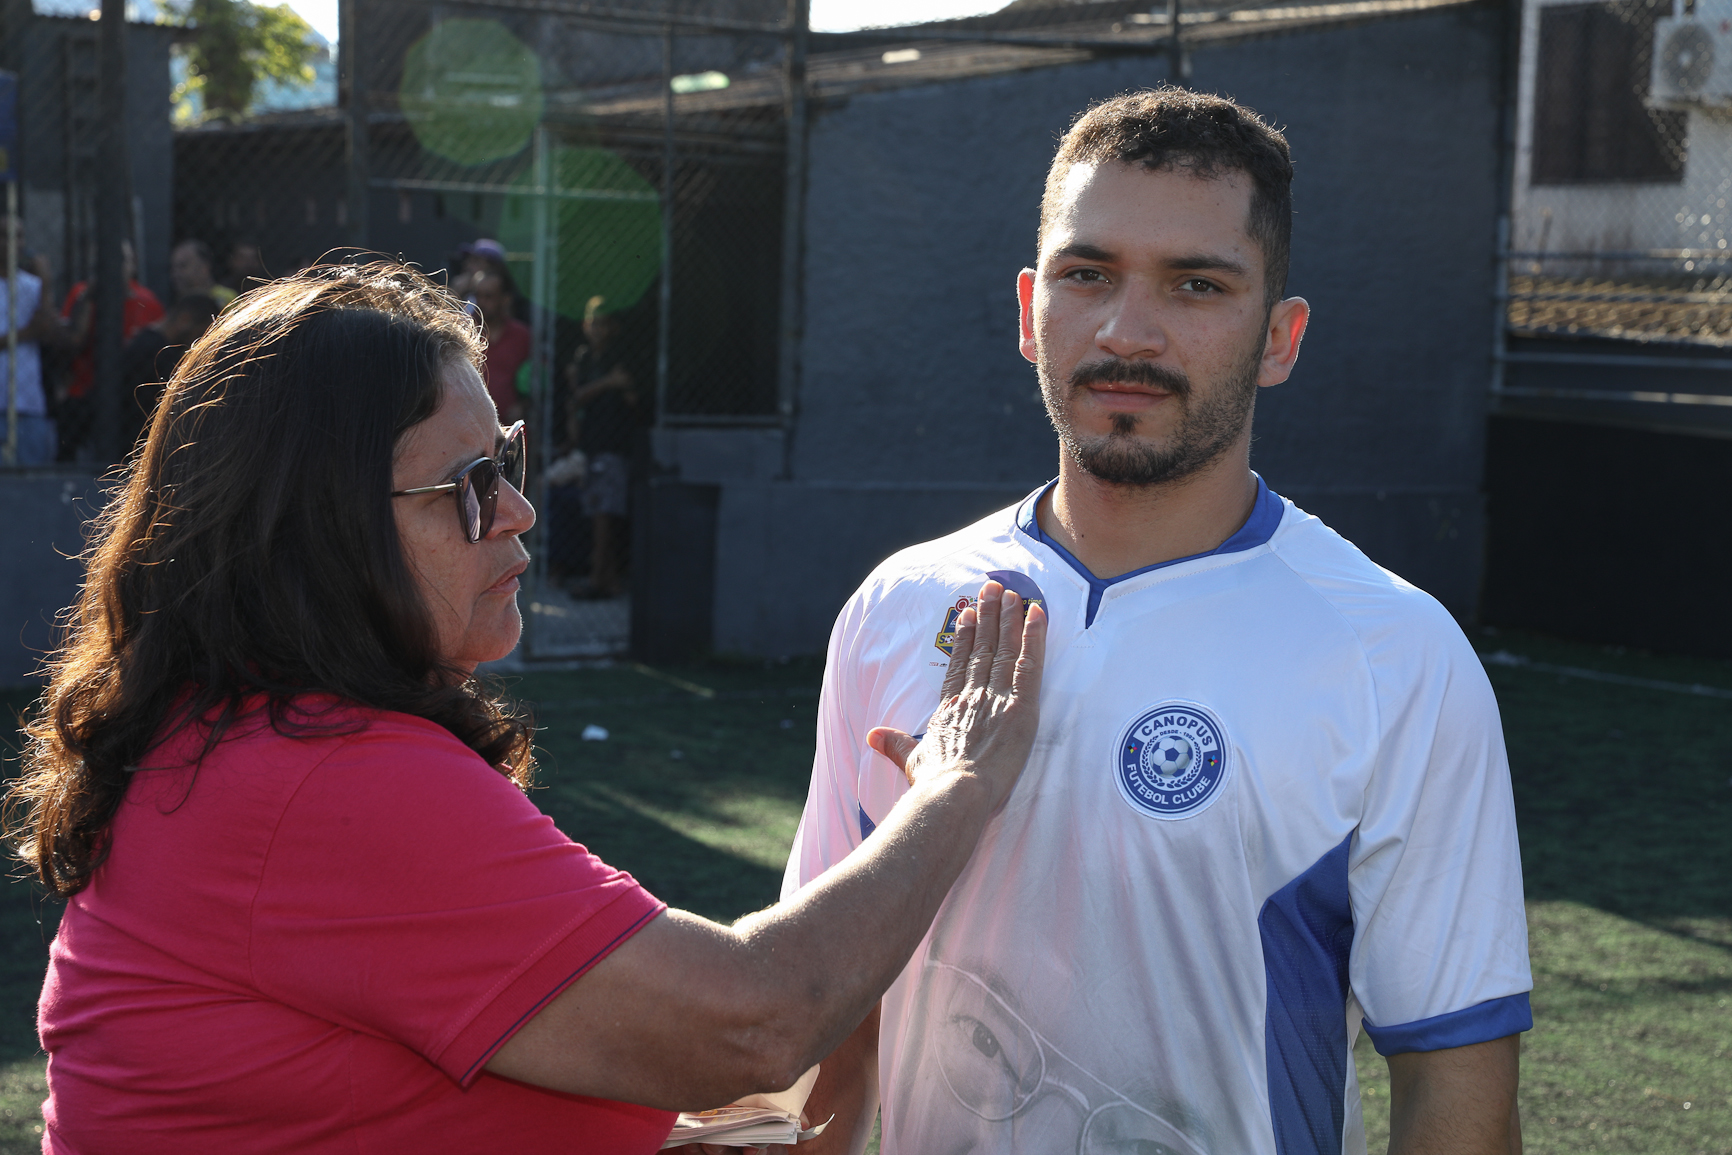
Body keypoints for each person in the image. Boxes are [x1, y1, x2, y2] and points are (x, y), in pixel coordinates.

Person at [5, 260, 1048, 1153]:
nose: (517, 509)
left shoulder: (233, 736)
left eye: (503, 459)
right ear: (316, 528)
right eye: (467, 484)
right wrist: (956, 784)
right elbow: (752, 1023)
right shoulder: (318, 778)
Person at [784, 88, 1531, 1155]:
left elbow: (1454, 1080)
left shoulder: (1394, 655)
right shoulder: (898, 607)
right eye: (1087, 274)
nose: (1126, 332)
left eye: (1197, 285)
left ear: (1279, 338)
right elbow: (826, 1009)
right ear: (1029, 308)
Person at [564, 294, 644, 599]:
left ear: (613, 328)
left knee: (605, 513)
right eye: (593, 323)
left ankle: (599, 578)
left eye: (604, 324)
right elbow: (577, 398)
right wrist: (608, 383)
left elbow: (631, 397)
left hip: (614, 444)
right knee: (597, 509)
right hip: (590, 442)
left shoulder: (620, 357)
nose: (598, 329)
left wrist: (609, 386)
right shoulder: (584, 358)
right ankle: (606, 579)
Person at [58, 239, 165, 459]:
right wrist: (89, 298)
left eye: (122, 260)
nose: (115, 266)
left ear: (133, 264)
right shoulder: (82, 293)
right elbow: (72, 341)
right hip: (83, 392)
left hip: (129, 400)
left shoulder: (148, 302)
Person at [0, 216, 63, 466]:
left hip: (28, 403)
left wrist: (46, 282)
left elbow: (49, 332)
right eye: (5, 236)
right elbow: (35, 330)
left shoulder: (33, 286)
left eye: (18, 236)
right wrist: (26, 333)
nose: (12, 243)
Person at [120, 293, 219, 446]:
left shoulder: (146, 342)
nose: (199, 341)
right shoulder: (157, 352)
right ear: (185, 319)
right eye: (200, 333)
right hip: (136, 438)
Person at [472, 270, 531, 423]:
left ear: (505, 299)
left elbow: (536, 379)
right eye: (478, 296)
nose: (481, 302)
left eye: (489, 296)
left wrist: (523, 405)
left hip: (509, 427)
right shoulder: (463, 332)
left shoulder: (522, 336)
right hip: (471, 425)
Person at [170, 238, 237, 309]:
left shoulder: (227, 299)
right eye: (174, 267)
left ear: (204, 268)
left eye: (183, 266)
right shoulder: (177, 303)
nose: (176, 273)